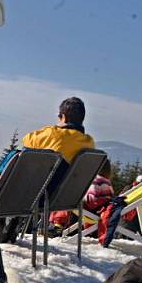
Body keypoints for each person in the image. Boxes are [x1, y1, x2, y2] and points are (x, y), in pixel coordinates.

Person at [21, 96, 96, 235]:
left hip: (39, 196)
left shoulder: (53, 134)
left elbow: (26, 140)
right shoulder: (89, 143)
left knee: (22, 154)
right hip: (66, 199)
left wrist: (54, 128)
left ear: (62, 117)